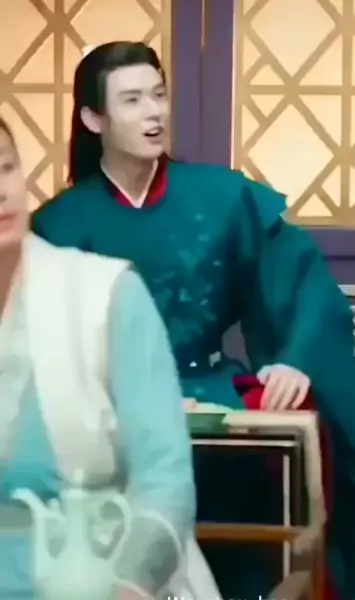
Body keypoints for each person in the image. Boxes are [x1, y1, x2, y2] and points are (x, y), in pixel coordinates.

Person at [30, 41, 355, 600]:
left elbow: (305, 282)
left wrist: (294, 359)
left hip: (206, 385)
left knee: (295, 426)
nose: (154, 112)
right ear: (94, 119)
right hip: (104, 404)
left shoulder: (222, 197)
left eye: (159, 95)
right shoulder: (58, 224)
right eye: (132, 100)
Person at [0, 115, 218, 600]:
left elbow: (165, 477)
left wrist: (132, 585)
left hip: (106, 576)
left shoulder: (105, 294)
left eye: (6, 168)